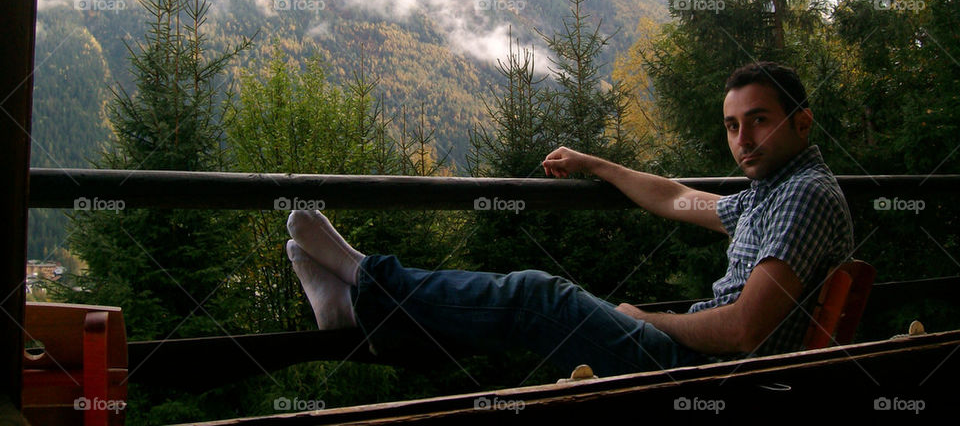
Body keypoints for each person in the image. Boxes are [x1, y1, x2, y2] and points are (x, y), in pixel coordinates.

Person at [284, 61, 854, 377]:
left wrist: (648, 320)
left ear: (801, 124)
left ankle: (365, 281)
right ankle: (356, 307)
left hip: (705, 369)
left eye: (758, 121)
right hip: (710, 362)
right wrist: (594, 164)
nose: (743, 139)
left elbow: (743, 330)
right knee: (527, 309)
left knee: (538, 298)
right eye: (732, 126)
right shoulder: (769, 191)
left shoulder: (803, 196)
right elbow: (677, 199)